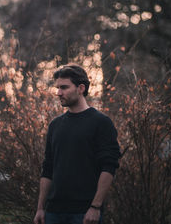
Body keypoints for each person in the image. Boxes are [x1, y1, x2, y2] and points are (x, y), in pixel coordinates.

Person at [34, 64, 121, 224]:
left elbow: (109, 167)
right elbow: (48, 168)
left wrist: (95, 207)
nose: (58, 92)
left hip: (84, 213)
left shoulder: (101, 122)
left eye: (64, 87)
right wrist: (40, 208)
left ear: (81, 88)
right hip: (53, 212)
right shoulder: (55, 125)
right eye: (58, 88)